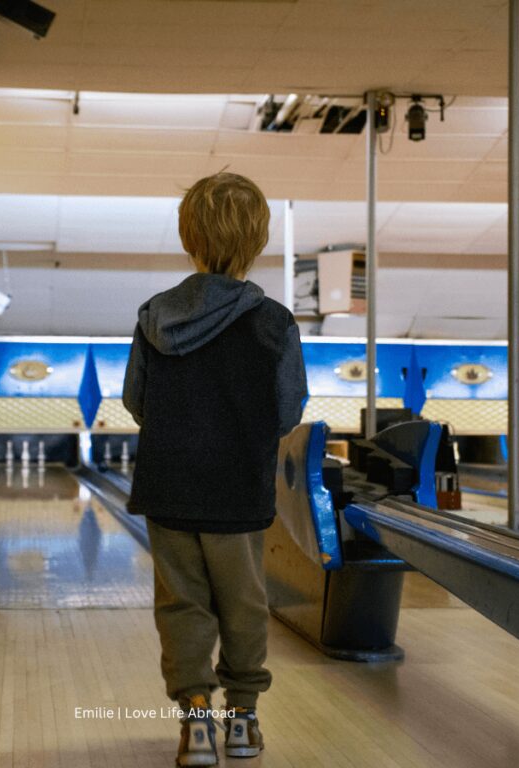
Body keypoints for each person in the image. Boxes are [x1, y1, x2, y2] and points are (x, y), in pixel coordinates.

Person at [122, 172, 308, 766]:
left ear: (188, 238)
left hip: (169, 484)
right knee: (245, 602)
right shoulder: (274, 322)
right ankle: (244, 720)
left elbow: (136, 402)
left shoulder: (155, 315)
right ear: (257, 241)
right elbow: (287, 410)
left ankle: (196, 726)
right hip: (238, 488)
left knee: (182, 603)